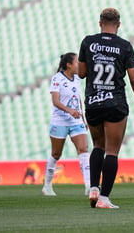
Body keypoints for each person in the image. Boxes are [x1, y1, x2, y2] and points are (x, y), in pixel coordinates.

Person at [78, 8, 134, 209]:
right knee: (112, 151)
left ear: (100, 23)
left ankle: (93, 187)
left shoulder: (88, 42)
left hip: (93, 101)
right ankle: (103, 198)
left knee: (97, 146)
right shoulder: (125, 46)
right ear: (118, 24)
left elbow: (82, 73)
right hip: (115, 103)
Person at [42, 52, 91, 196]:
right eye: (77, 62)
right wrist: (70, 111)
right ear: (69, 65)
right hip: (60, 121)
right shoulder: (57, 79)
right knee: (56, 154)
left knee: (83, 150)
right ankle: (47, 185)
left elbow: (78, 98)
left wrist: (83, 118)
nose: (79, 64)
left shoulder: (77, 79)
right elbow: (55, 101)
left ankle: (88, 185)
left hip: (76, 120)